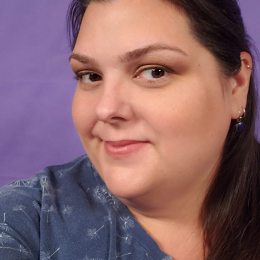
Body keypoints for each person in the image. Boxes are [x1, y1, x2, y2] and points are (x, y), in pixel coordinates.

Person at [0, 0, 259, 259]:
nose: (105, 109)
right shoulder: (20, 221)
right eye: (90, 75)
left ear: (237, 86)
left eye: (155, 72)